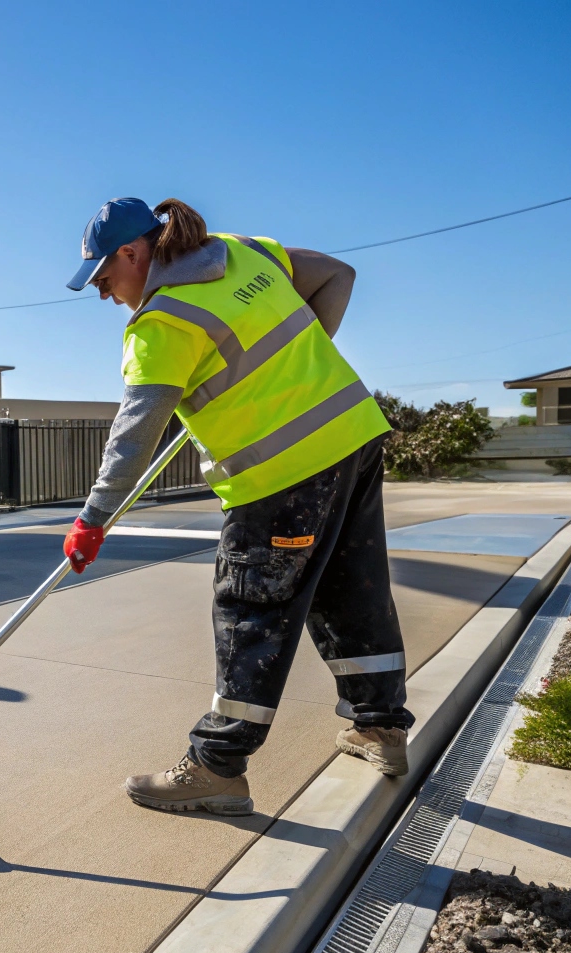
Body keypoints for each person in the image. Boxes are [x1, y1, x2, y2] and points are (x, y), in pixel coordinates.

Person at [62, 197, 410, 816]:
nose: (104, 293)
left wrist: (92, 519)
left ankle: (217, 766)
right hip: (352, 437)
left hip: (280, 476)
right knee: (352, 586)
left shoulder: (162, 321)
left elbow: (135, 435)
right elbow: (338, 275)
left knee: (252, 609)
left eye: (103, 277)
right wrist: (290, 369)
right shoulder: (239, 251)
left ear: (131, 253)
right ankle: (379, 727)